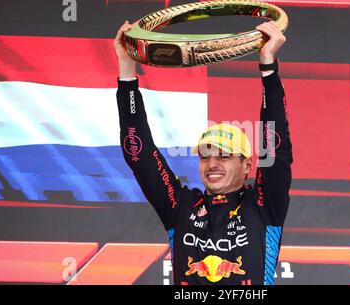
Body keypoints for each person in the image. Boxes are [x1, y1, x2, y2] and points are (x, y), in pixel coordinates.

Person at [114, 20, 292, 285]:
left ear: (247, 165)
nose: (212, 164)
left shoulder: (263, 206)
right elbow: (138, 153)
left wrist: (268, 65)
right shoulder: (181, 206)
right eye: (205, 155)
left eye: (224, 155)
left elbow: (274, 147)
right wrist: (127, 68)